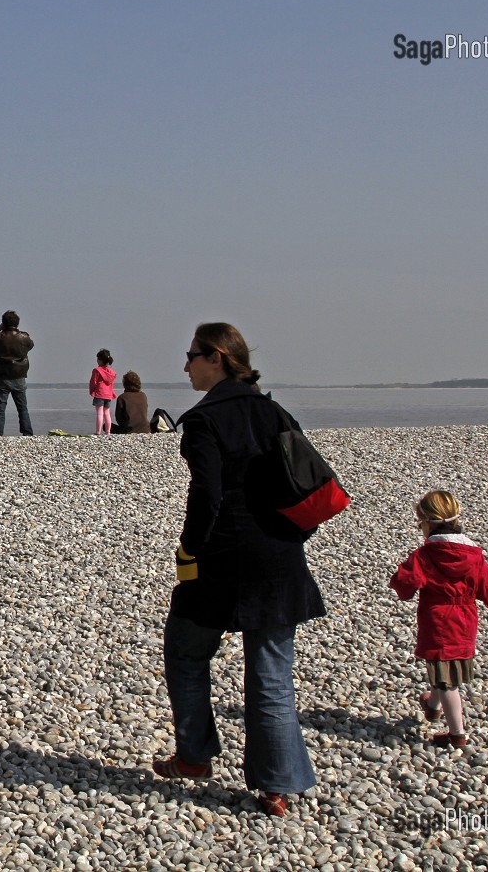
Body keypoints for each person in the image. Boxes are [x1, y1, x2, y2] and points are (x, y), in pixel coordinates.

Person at [152, 322, 326, 818]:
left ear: (218, 358)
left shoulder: (204, 420)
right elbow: (302, 485)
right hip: (279, 559)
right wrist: (290, 539)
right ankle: (276, 788)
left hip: (222, 560)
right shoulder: (274, 411)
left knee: (186, 651)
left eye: (191, 356)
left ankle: (194, 756)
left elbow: (205, 497)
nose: (185, 365)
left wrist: (189, 550)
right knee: (271, 672)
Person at [389, 490, 488, 749]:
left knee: (446, 680)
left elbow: (406, 585)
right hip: (465, 623)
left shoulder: (425, 556)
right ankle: (431, 706)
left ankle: (457, 735)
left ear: (427, 524)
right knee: (446, 670)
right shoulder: (473, 557)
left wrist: (398, 584)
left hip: (437, 623)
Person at [0, 311, 34, 436]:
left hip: (2, 377)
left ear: (3, 323)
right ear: (17, 323)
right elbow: (31, 345)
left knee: (0, 407)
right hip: (19, 376)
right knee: (22, 408)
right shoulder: (23, 337)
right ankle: (27, 432)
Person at [89, 349, 117, 435]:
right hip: (108, 394)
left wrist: (92, 391)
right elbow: (112, 384)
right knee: (107, 413)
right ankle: (108, 431)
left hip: (100, 393)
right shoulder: (112, 372)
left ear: (100, 360)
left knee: (99, 413)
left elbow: (93, 382)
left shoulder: (97, 370)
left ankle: (98, 431)